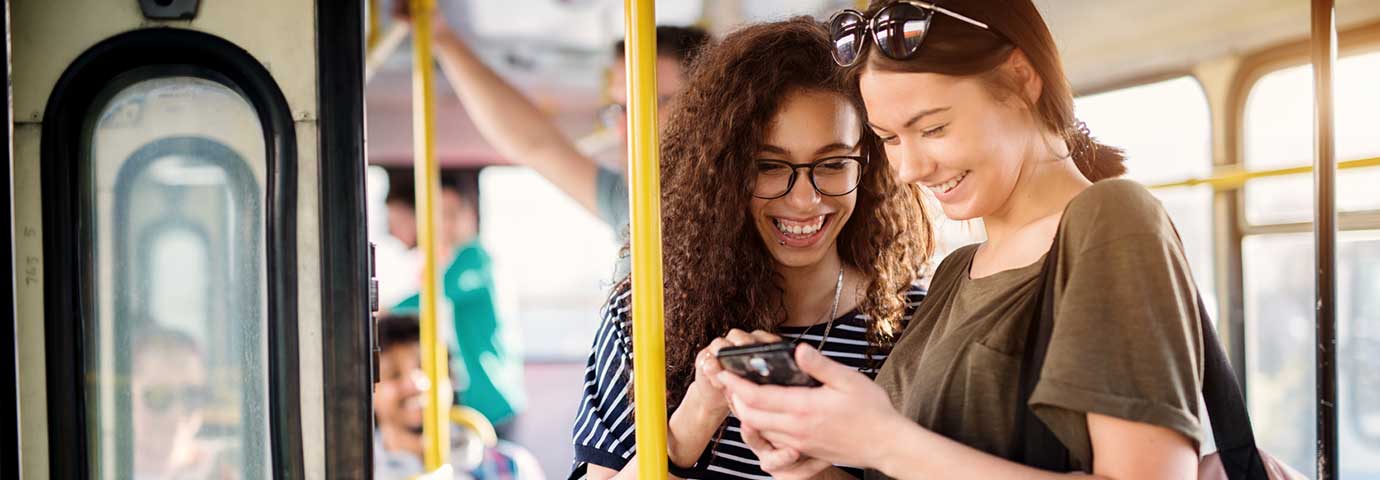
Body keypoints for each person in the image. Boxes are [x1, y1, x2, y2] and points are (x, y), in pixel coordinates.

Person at [718, 1, 1301, 479]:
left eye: (933, 127)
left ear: (1021, 81)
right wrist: (820, 461)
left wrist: (883, 440)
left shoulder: (1111, 219)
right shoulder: (956, 273)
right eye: (888, 138)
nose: (908, 168)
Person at [569, 18, 932, 479]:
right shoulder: (643, 314)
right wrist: (697, 413)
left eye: (835, 162)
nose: (805, 198)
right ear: (724, 174)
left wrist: (804, 461)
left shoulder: (916, 323)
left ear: (870, 162)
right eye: (769, 166)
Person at [396, 3, 709, 233]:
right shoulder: (635, 205)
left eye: (649, 104)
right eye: (620, 108)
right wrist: (442, 38)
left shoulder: (745, 209)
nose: (624, 127)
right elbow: (535, 145)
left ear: (710, 107)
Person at [393, 178, 527, 439]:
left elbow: (432, 295)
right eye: (438, 216)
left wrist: (381, 312)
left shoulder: (476, 258)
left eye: (452, 214)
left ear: (471, 215)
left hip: (492, 397)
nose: (446, 224)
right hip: (479, 395)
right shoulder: (455, 262)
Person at [373, 312, 543, 480]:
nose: (417, 384)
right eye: (393, 374)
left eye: (427, 367)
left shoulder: (511, 468)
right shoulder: (358, 471)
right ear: (368, 394)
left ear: (451, 379)